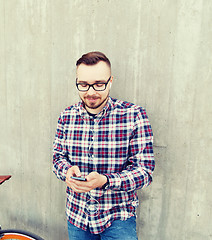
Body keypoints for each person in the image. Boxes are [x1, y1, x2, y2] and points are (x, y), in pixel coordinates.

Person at [52, 51, 155, 240]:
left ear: (111, 81)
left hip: (118, 218)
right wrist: (66, 171)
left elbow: (145, 172)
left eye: (99, 84)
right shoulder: (66, 116)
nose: (91, 92)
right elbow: (58, 158)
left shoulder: (134, 116)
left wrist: (106, 181)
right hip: (77, 215)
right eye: (83, 85)